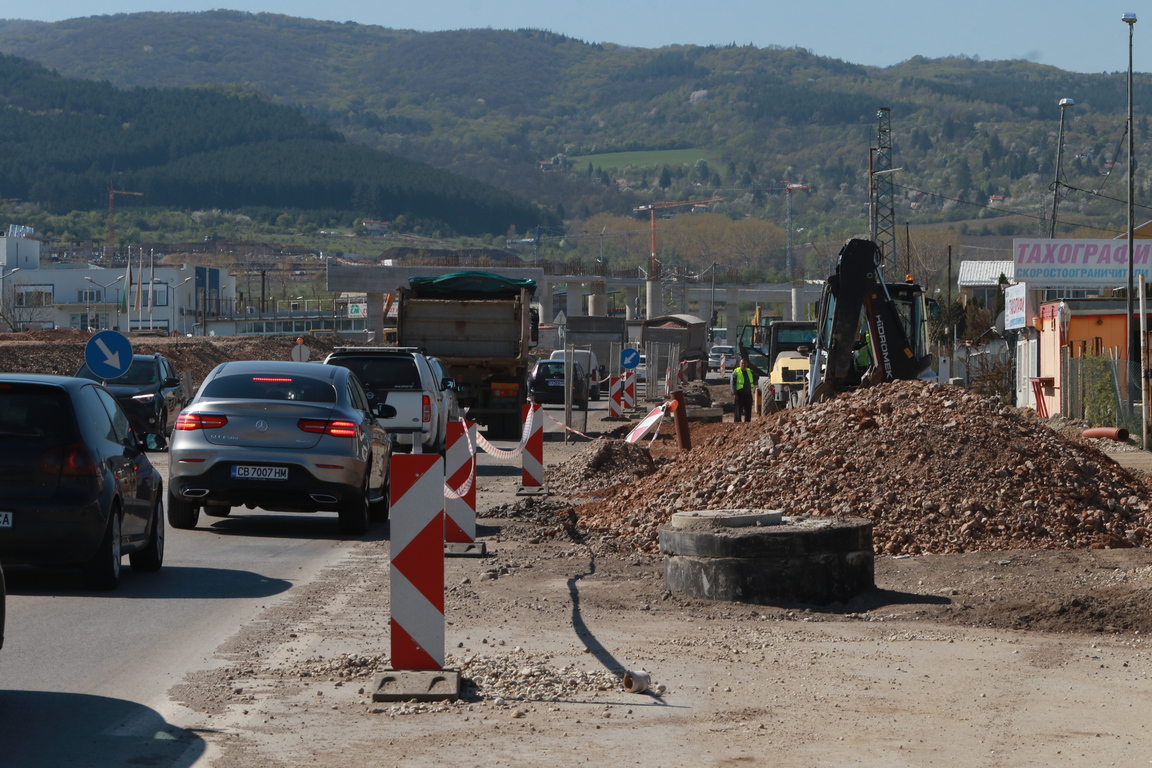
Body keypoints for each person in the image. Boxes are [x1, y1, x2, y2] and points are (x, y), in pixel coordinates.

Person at [730, 357, 755, 422]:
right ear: (740, 364)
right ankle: (737, 422)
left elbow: (756, 377)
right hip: (739, 394)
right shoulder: (736, 372)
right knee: (738, 410)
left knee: (748, 410)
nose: (743, 365)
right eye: (742, 363)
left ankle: (747, 423)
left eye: (745, 364)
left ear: (747, 364)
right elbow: (732, 383)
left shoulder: (749, 371)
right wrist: (734, 393)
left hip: (748, 394)